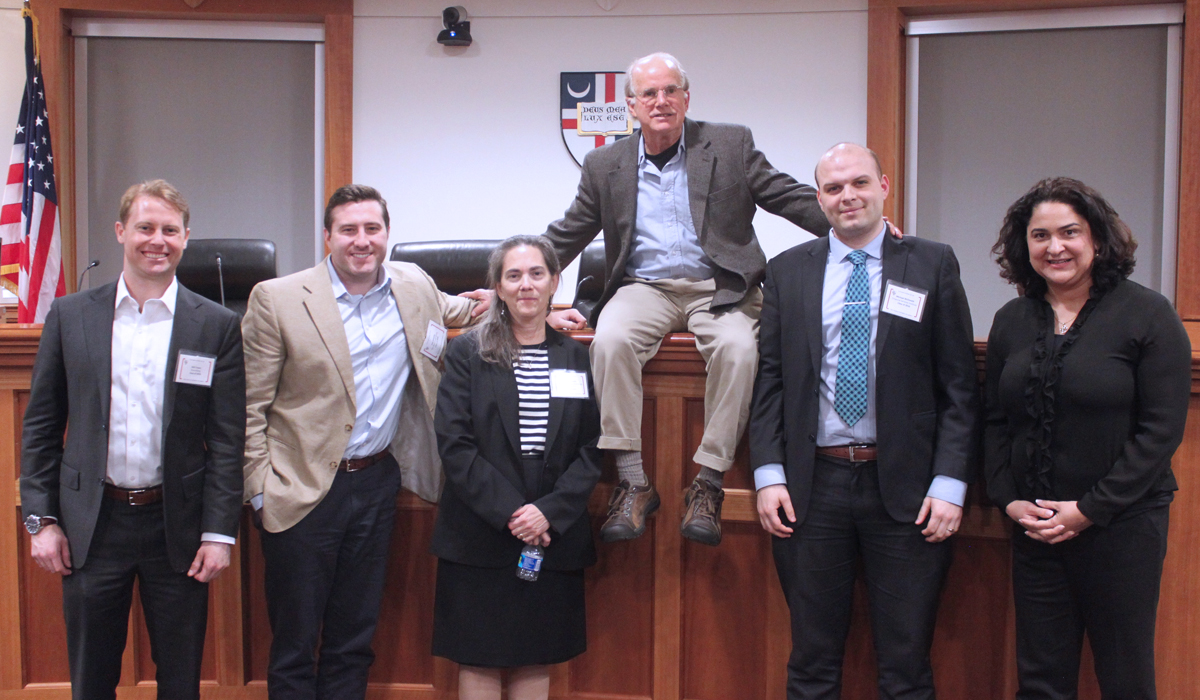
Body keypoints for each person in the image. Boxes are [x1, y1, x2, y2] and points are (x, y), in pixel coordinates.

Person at [543, 51, 830, 547]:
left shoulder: (729, 144)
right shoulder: (604, 164)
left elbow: (787, 196)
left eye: (670, 90)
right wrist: (514, 276)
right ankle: (633, 481)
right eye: (649, 93)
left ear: (686, 97)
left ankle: (709, 482)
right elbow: (568, 233)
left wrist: (850, 225)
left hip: (718, 286)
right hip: (644, 288)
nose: (661, 101)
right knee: (607, 341)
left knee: (740, 349)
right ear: (631, 105)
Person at [749, 143, 979, 700]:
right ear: (820, 199)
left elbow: (960, 386)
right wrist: (769, 474)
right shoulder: (786, 272)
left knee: (905, 665)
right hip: (811, 489)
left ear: (884, 187)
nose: (847, 196)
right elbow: (771, 382)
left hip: (906, 491)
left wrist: (950, 483)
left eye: (858, 183)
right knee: (811, 662)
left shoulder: (930, 263)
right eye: (833, 188)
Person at [241, 184, 485, 698]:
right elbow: (248, 407)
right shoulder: (278, 298)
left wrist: (536, 312)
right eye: (348, 230)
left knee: (354, 640)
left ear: (387, 235)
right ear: (327, 236)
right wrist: (261, 491)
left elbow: (461, 311)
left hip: (375, 484)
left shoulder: (412, 283)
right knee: (294, 645)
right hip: (300, 489)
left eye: (372, 229)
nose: (361, 240)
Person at [20, 179, 245, 700]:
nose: (157, 240)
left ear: (187, 237)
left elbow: (228, 439)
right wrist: (41, 519)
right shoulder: (70, 315)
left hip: (179, 529)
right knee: (92, 678)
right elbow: (41, 427)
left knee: (181, 679)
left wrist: (218, 532)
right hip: (90, 529)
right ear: (121, 231)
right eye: (145, 227)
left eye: (170, 229)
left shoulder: (215, 325)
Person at [985, 177, 1190, 700]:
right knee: (1040, 681)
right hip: (1035, 531)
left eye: (1069, 232)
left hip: (1122, 528)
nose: (1054, 247)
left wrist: (1090, 509)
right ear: (1023, 246)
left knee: (1124, 679)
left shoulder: (1148, 314)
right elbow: (993, 421)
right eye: (1039, 235)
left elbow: (1161, 429)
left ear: (1097, 239)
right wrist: (1008, 498)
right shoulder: (1011, 320)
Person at [431, 235, 601, 700]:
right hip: (480, 531)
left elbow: (592, 447)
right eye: (513, 276)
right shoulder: (468, 353)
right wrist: (513, 512)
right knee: (480, 656)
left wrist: (549, 512)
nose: (526, 285)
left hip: (551, 532)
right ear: (498, 288)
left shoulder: (578, 357)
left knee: (535, 655)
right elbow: (455, 443)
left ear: (554, 283)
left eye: (536, 274)